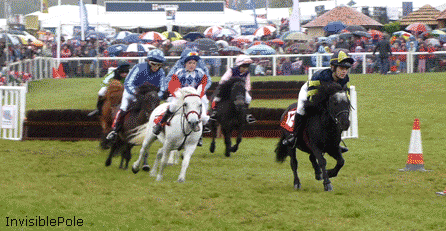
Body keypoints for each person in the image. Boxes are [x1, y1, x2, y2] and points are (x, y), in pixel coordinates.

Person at [282, 49, 354, 153]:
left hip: (324, 99)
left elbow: (345, 93)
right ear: (333, 67)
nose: (344, 71)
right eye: (342, 68)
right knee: (301, 109)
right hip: (308, 92)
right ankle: (294, 136)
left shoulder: (344, 78)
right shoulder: (320, 76)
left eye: (346, 68)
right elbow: (312, 97)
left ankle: (336, 142)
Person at [105, 49, 166, 142]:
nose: (156, 67)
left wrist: (157, 96)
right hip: (132, 93)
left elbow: (163, 88)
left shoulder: (161, 72)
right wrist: (136, 94)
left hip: (150, 96)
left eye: (159, 65)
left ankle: (159, 130)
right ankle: (114, 130)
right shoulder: (138, 67)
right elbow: (128, 83)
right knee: (124, 107)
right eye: (154, 64)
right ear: (148, 61)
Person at [153, 51, 211, 145]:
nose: (192, 65)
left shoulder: (200, 73)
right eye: (189, 63)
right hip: (181, 95)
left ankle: (200, 134)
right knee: (172, 106)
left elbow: (202, 85)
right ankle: (160, 124)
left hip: (196, 95)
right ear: (185, 64)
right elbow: (173, 85)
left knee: (204, 114)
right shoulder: (179, 73)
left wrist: (197, 95)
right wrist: (179, 94)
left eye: (194, 63)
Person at [209, 54, 256, 124]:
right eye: (244, 66)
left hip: (240, 90)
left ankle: (247, 114)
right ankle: (214, 112)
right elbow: (223, 80)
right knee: (216, 98)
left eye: (247, 66)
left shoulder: (247, 73)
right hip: (228, 89)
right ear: (239, 65)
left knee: (248, 98)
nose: (245, 68)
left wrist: (246, 90)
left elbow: (247, 84)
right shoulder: (231, 70)